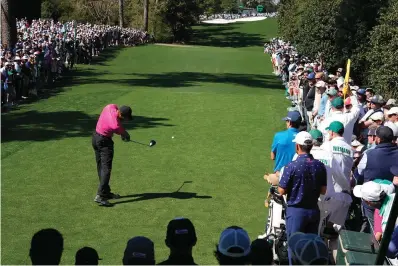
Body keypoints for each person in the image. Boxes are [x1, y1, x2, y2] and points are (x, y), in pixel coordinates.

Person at [278, 131, 327, 261]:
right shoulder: (320, 166)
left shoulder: (291, 166)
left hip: (296, 212)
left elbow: (281, 190)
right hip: (313, 211)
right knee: (310, 249)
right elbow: (323, 190)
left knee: (294, 248)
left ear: (297, 146)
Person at [92, 104, 133, 206]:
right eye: (126, 118)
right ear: (122, 116)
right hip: (104, 142)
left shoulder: (110, 107)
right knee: (106, 168)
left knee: (101, 166)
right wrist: (125, 135)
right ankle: (100, 195)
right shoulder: (116, 125)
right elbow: (123, 133)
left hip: (95, 137)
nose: (125, 120)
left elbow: (114, 117)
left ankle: (105, 192)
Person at [270, 111, 301, 175]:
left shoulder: (278, 136)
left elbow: (272, 156)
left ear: (289, 122)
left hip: (280, 174)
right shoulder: (303, 138)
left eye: (286, 121)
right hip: (297, 175)